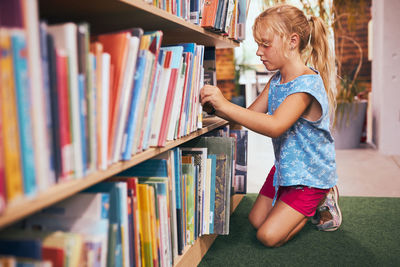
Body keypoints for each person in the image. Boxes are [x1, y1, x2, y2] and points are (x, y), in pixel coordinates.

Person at [200, 4, 342, 247]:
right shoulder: (276, 81)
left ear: (292, 41)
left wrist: (225, 104)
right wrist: (214, 108)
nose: (258, 52)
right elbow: (250, 115)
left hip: (310, 177)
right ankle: (297, 207)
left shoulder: (305, 86)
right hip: (285, 169)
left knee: (267, 236)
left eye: (265, 44)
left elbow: (275, 126)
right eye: (258, 45)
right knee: (256, 220)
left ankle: (322, 197)